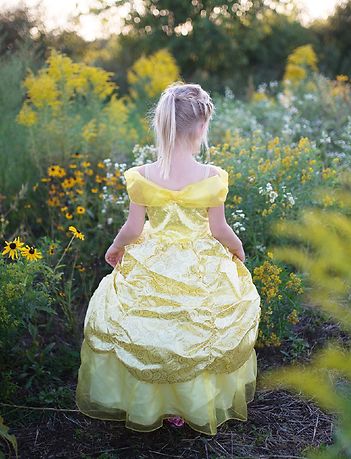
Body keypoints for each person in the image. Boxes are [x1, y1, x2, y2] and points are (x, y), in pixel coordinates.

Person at [75, 81, 261, 436]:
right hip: (199, 260)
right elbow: (220, 229)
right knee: (196, 331)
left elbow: (133, 228)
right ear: (202, 128)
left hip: (153, 257)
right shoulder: (211, 176)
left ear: (161, 125)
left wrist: (116, 247)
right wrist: (237, 249)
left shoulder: (142, 175)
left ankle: (153, 404)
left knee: (151, 332)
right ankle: (187, 405)